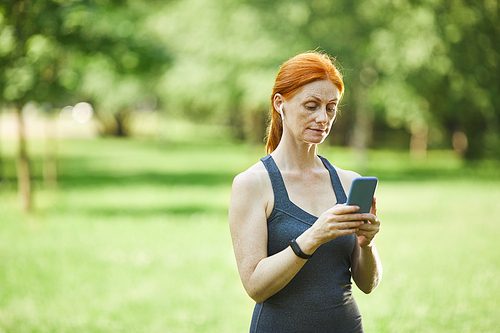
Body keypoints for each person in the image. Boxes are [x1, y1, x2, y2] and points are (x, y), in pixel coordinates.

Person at [228, 51, 382, 332]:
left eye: (331, 107)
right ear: (280, 104)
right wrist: (312, 237)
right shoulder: (253, 184)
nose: (323, 118)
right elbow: (255, 286)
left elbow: (368, 284)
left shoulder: (348, 182)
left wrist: (366, 245)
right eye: (311, 106)